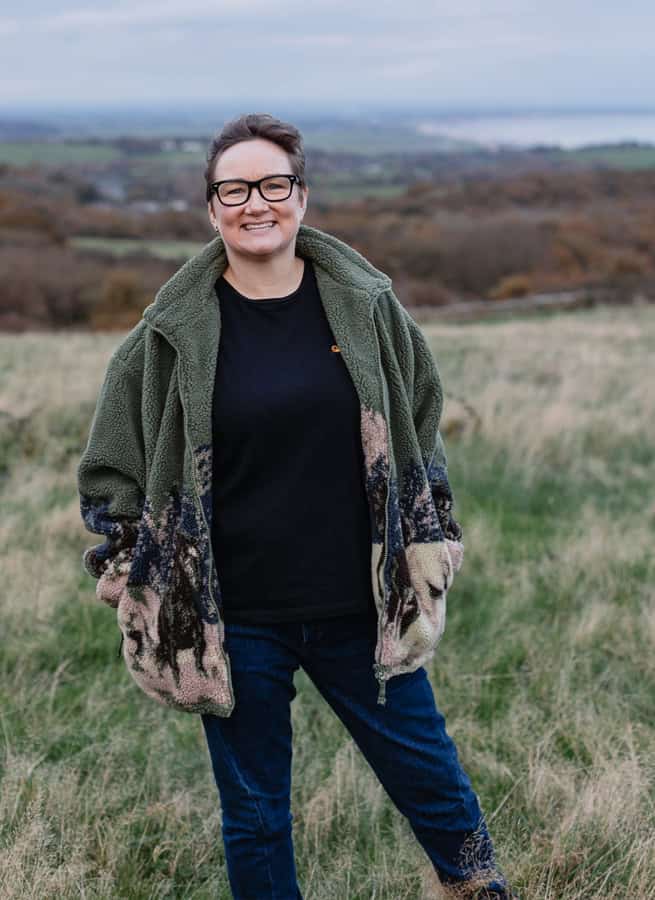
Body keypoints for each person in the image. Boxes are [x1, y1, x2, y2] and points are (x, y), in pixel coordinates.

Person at [77, 112, 517, 899]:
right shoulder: (164, 338)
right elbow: (111, 470)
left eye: (273, 184)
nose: (256, 203)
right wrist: (128, 572)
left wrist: (433, 534)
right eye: (235, 189)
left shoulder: (368, 310)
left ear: (301, 198)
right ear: (211, 208)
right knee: (255, 819)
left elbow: (419, 431)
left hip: (362, 604)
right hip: (232, 618)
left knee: (436, 788)